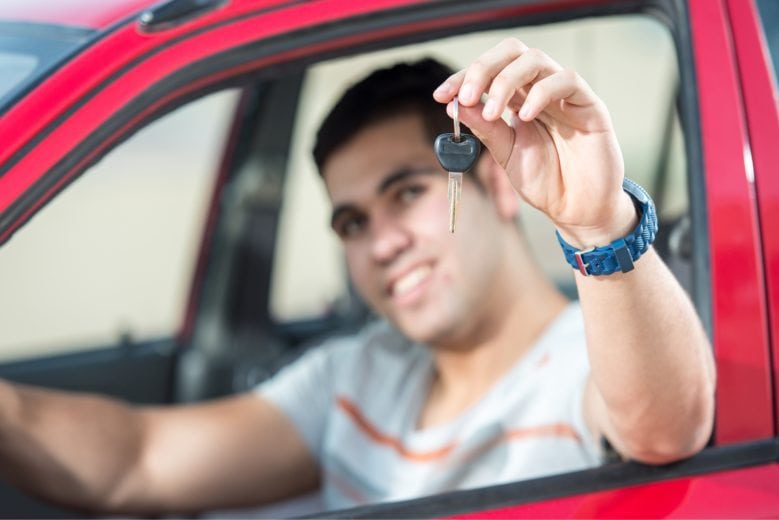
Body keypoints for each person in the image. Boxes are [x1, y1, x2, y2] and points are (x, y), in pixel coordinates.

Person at [0, 40, 714, 515]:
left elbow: (662, 430)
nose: (381, 243)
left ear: (497, 185)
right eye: (351, 223)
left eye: (406, 193)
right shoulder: (357, 375)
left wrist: (598, 229)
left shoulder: (579, 361)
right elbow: (136, 461)